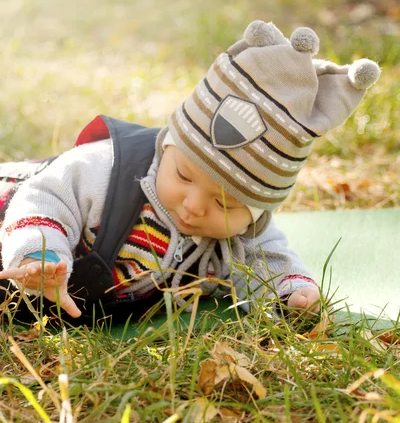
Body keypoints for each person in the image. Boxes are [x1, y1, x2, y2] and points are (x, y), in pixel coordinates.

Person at [0, 20, 380, 323]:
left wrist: (293, 294)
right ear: (168, 145)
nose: (194, 206)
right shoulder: (108, 169)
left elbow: (269, 261)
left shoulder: (241, 234)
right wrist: (40, 255)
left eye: (225, 203)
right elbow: (44, 194)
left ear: (258, 211)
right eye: (183, 175)